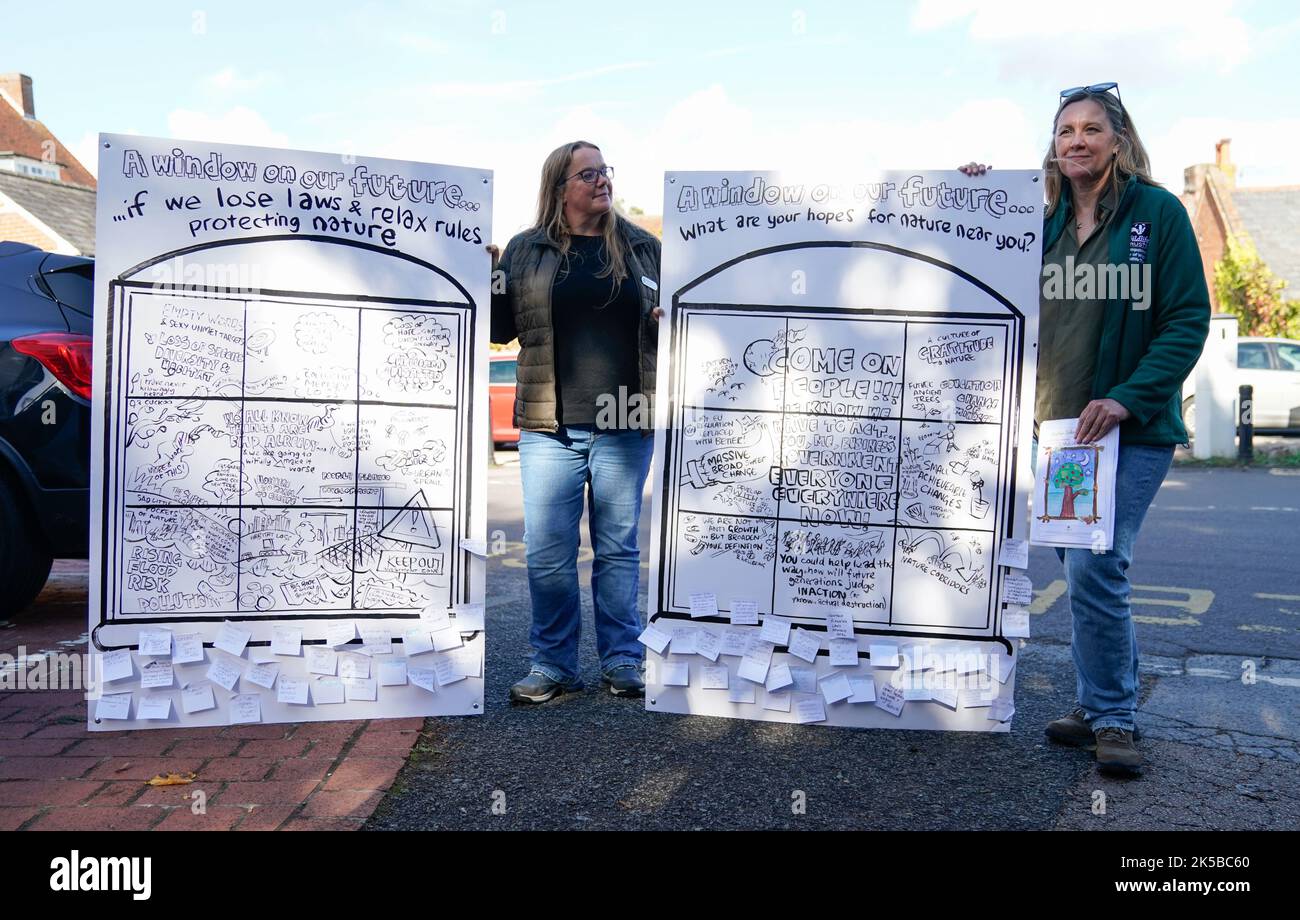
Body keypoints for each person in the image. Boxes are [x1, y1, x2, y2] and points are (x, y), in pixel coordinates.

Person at [962, 83, 1209, 776]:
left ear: (1118, 141)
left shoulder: (1155, 215)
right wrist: (971, 194)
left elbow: (1186, 317)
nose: (1076, 140)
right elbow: (972, 270)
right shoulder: (1033, 219)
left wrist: (1129, 397)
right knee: (1080, 567)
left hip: (1126, 430)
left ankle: (1114, 718)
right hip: (1054, 430)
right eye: (1065, 129)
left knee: (1099, 564)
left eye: (1091, 129)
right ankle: (1099, 699)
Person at [489, 141, 662, 703]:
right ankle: (554, 665)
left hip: (626, 418)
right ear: (559, 188)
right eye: (588, 174)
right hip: (549, 424)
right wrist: (485, 273)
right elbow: (500, 328)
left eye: (605, 171)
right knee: (548, 551)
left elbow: (684, 323)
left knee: (616, 549)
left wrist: (670, 319)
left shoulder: (644, 249)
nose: (602, 181)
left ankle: (621, 659)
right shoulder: (526, 249)